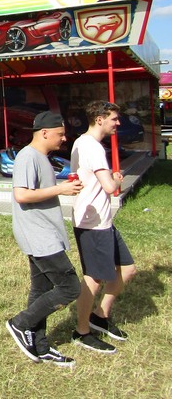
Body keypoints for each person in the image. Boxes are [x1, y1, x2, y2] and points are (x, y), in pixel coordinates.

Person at [5, 111, 83, 367]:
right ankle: (20, 323)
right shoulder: (28, 157)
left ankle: (40, 346)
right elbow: (22, 195)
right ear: (45, 133)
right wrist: (61, 188)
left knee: (42, 290)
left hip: (43, 234)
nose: (64, 138)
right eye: (60, 134)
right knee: (70, 287)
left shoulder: (41, 157)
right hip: (39, 236)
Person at [70, 100, 136, 354]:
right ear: (99, 119)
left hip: (101, 219)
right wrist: (117, 178)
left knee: (128, 269)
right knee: (94, 278)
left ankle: (100, 316)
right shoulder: (93, 147)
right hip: (92, 222)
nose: (117, 123)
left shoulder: (81, 142)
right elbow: (110, 187)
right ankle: (81, 331)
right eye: (114, 119)